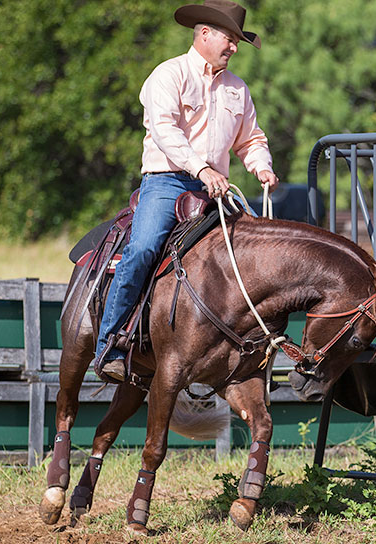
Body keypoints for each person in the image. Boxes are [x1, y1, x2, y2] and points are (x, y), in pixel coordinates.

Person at [94, 0, 278, 383]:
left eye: (237, 42)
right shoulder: (168, 75)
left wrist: (261, 164)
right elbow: (165, 131)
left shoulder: (237, 90)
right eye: (230, 39)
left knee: (255, 256)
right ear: (205, 33)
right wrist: (202, 168)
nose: (234, 48)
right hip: (167, 181)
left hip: (216, 188)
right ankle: (109, 345)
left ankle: (245, 348)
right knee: (143, 248)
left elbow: (251, 138)